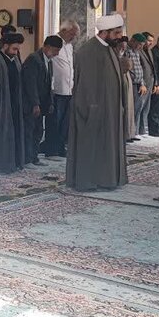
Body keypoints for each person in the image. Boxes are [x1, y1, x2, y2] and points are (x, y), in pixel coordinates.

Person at [66, 14, 127, 191]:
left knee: (107, 146)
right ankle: (89, 181)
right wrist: (92, 110)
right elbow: (86, 85)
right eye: (116, 33)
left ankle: (107, 179)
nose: (119, 37)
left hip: (109, 110)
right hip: (94, 111)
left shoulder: (108, 48)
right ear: (105, 32)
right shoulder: (89, 51)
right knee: (92, 147)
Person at [0, 33, 25, 173]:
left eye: (17, 49)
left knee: (15, 132)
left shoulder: (15, 59)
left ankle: (14, 162)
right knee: (1, 134)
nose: (16, 52)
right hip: (2, 103)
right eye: (14, 49)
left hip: (15, 103)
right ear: (5, 46)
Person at [23, 35, 62, 165]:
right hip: (31, 104)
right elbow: (30, 84)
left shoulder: (48, 61)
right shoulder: (33, 59)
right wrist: (35, 104)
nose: (57, 54)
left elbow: (50, 83)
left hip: (42, 103)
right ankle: (27, 159)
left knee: (38, 131)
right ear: (48, 47)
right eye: (56, 50)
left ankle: (34, 157)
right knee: (30, 131)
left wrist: (50, 102)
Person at [43, 20, 79, 157]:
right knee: (55, 121)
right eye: (72, 34)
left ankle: (60, 146)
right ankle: (51, 148)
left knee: (65, 122)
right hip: (57, 89)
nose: (73, 37)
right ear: (64, 30)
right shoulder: (54, 42)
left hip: (68, 89)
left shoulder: (69, 46)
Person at [129, 33, 155, 137]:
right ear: (133, 41)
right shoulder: (128, 51)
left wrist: (142, 83)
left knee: (139, 108)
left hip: (140, 83)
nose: (140, 47)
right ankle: (131, 132)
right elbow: (129, 70)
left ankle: (135, 131)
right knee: (133, 109)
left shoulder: (136, 52)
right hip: (132, 83)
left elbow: (139, 69)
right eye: (139, 44)